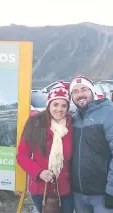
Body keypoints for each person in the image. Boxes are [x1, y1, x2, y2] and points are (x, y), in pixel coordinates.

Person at [69, 75, 113, 213]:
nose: (80, 94)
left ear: (92, 91)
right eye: (75, 91)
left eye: (83, 89)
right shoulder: (73, 120)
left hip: (102, 196)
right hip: (79, 195)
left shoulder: (111, 115)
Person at [16, 83, 74, 213]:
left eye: (64, 105)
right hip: (40, 188)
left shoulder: (72, 124)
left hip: (66, 189)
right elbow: (22, 156)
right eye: (55, 104)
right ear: (49, 104)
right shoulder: (35, 122)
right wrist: (39, 172)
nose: (60, 109)